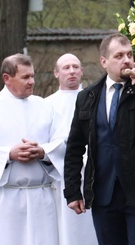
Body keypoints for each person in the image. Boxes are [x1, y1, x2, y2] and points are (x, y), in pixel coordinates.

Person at [64, 33, 135, 245]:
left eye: (130, 54)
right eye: (119, 55)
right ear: (104, 61)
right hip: (104, 193)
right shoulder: (88, 96)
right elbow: (75, 146)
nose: (127, 60)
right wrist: (73, 190)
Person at [0, 53, 66, 245]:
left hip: (41, 198)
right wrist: (9, 154)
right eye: (25, 77)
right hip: (5, 198)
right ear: (7, 78)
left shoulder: (46, 107)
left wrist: (43, 152)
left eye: (33, 76)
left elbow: (63, 142)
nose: (32, 82)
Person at [44, 54, 98, 245]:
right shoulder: (47, 105)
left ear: (82, 71)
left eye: (76, 67)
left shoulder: (94, 98)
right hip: (63, 173)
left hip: (95, 171)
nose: (72, 71)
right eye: (66, 68)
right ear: (56, 73)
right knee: (68, 228)